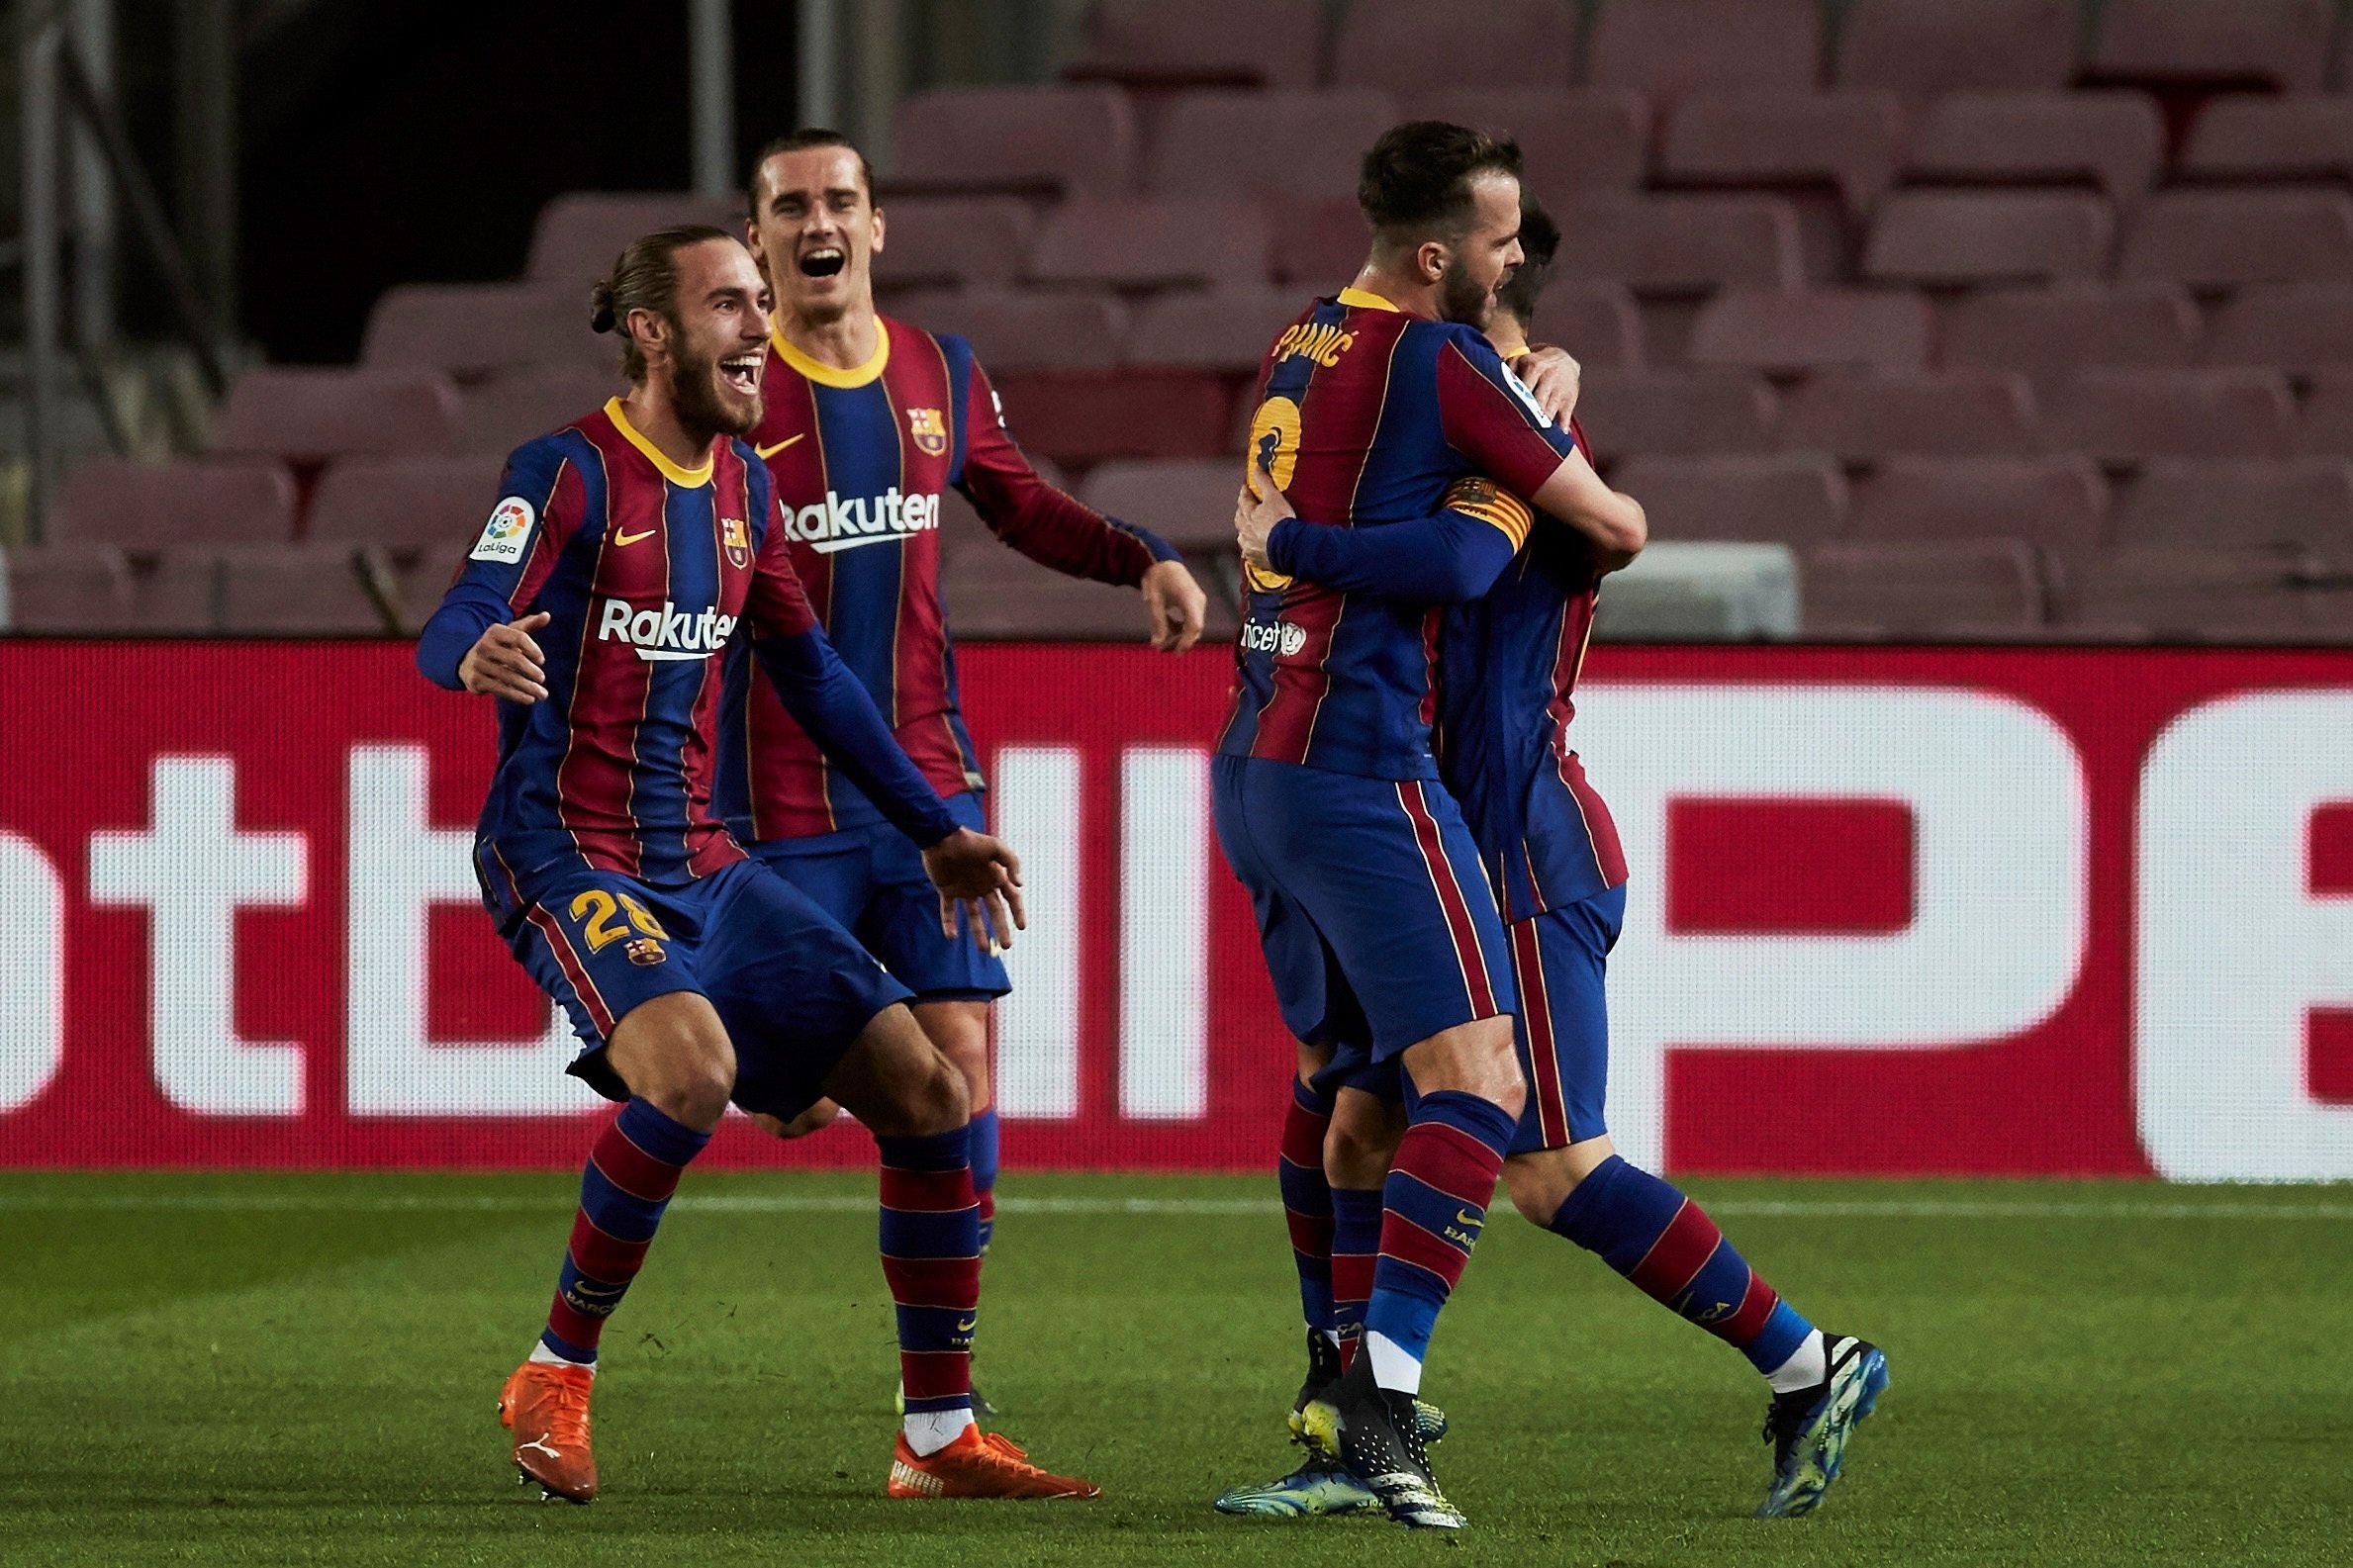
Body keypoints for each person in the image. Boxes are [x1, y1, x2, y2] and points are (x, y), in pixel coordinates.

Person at [1215, 201, 1889, 1523]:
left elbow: (1466, 564)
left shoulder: (1517, 455)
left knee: (1549, 1168)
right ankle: (1346, 1440)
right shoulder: (1453, 412)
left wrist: (1285, 539)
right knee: (1355, 1122)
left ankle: (1811, 1362)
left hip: (1514, 848)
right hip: (1412, 831)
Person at [415, 224, 1096, 1506]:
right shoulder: (563, 473)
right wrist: (468, 652)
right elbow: (462, 603)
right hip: (565, 853)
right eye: (730, 304)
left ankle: (938, 1433)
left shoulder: (744, 494)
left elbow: (816, 676)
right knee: (692, 1071)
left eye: (759, 300)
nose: (758, 324)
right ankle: (554, 1369)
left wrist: (932, 826)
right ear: (653, 333)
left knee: (932, 1091)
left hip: (704, 860)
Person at [1210, 122, 1647, 1531]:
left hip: (1256, 763)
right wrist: (1555, 437)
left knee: (1348, 1102)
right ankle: (1384, 1407)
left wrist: (1290, 546)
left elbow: (1316, 513)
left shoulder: (1300, 341)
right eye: (1507, 238)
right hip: (1360, 762)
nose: (1522, 257)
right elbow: (1582, 534)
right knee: (1483, 1086)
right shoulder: (1444, 363)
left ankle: (1334, 1395)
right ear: (1438, 255)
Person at [724, 131, 1209, 1340]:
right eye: (790, 207)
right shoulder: (728, 391)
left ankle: (940, 1389)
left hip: (926, 784)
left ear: (876, 227)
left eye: (839, 200)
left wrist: (1137, 553)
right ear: (757, 239)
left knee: (960, 1069)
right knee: (782, 1099)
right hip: (777, 790)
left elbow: (1021, 502)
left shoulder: (937, 370)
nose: (816, 223)